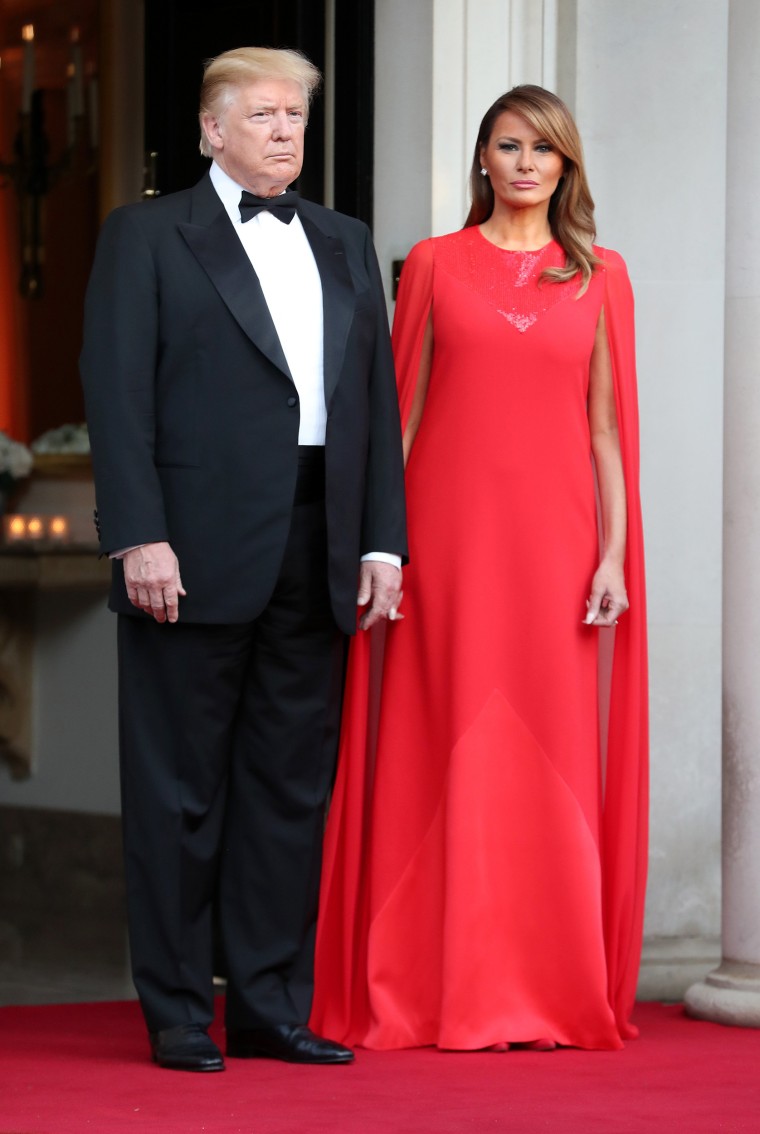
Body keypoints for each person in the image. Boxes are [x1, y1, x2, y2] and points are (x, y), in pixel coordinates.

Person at [79, 46, 406, 1072]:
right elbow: (117, 396)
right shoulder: (146, 236)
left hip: (321, 545)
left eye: (296, 117)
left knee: (287, 791)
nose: (284, 132)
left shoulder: (345, 240)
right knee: (180, 792)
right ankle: (177, 1011)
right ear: (212, 130)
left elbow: (374, 407)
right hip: (190, 547)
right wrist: (138, 532)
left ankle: (268, 1006)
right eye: (262, 115)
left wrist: (383, 539)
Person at [310, 84, 648, 1052]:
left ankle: (543, 986)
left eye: (544, 149)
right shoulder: (431, 265)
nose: (526, 164)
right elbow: (397, 419)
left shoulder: (600, 275)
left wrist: (614, 558)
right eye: (508, 145)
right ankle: (425, 980)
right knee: (437, 738)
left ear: (566, 166)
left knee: (547, 756)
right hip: (444, 546)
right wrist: (385, 547)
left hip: (555, 549)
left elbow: (604, 435)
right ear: (483, 161)